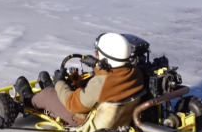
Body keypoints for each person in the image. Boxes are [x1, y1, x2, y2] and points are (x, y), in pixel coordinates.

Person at [14, 33, 144, 127]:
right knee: (76, 86)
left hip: (82, 120)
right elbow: (114, 75)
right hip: (119, 118)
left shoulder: (100, 84)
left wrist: (59, 83)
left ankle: (29, 100)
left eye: (97, 53)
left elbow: (72, 104)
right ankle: (54, 90)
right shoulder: (135, 73)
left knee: (48, 94)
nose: (95, 54)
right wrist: (96, 65)